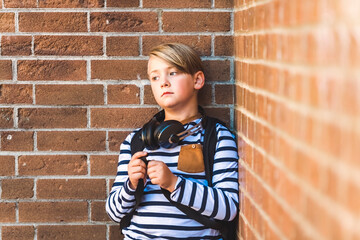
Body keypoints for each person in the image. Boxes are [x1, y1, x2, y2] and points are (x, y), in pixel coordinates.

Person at [106, 43, 239, 239]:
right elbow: (114, 213)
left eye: (173, 73)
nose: (163, 82)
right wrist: (131, 185)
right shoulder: (137, 141)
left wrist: (174, 184)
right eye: (155, 77)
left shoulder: (217, 138)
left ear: (198, 80)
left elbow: (228, 209)